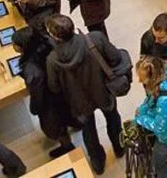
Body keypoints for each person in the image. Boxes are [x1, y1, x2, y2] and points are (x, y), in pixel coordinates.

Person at [45, 14, 125, 174]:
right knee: (113, 118)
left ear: (54, 36)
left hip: (78, 100)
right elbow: (115, 57)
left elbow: (54, 87)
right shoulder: (95, 38)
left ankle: (97, 161)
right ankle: (119, 147)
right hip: (103, 90)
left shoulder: (53, 59)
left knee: (89, 131)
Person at [10, 26, 77, 158]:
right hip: (66, 90)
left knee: (58, 125)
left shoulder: (31, 69)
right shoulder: (48, 44)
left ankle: (67, 146)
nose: (13, 46)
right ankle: (77, 124)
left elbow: (37, 93)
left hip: (50, 102)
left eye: (15, 44)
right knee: (71, 113)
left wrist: (34, 108)